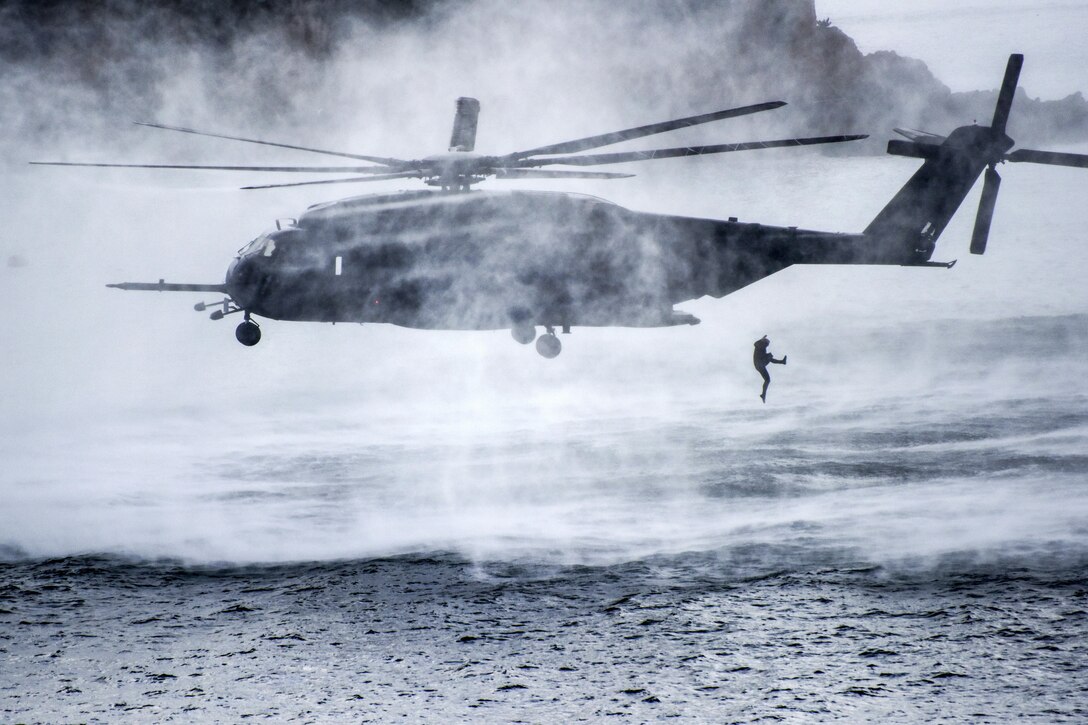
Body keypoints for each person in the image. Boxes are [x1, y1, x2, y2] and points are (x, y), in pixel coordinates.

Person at [753, 335, 787, 403]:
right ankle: (782, 362)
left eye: (768, 344)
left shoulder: (763, 348)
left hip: (760, 365)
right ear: (764, 343)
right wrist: (762, 339)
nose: (767, 346)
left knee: (767, 380)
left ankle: (763, 395)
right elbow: (755, 344)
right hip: (759, 364)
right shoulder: (759, 346)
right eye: (767, 344)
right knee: (769, 356)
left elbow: (770, 360)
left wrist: (763, 339)